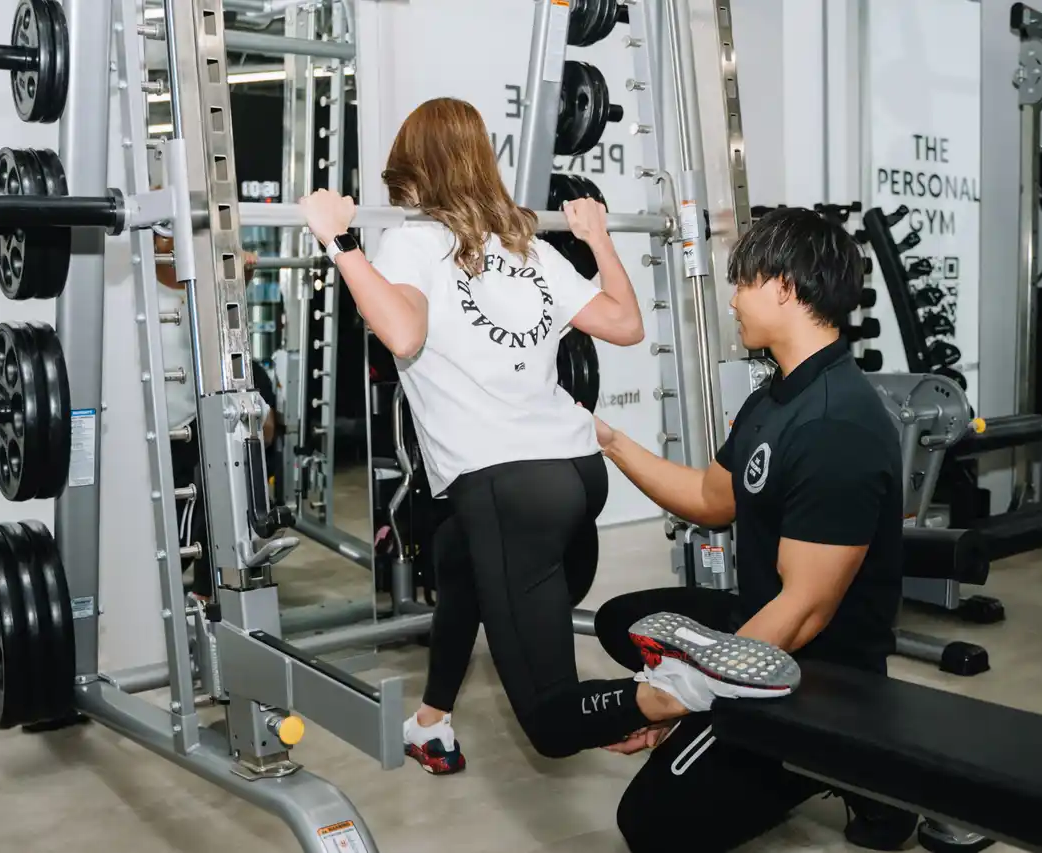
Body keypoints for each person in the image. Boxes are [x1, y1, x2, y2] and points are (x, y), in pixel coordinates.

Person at [297, 97, 795, 774]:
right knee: (457, 554)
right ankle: (432, 719)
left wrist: (338, 239)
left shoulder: (412, 241)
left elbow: (403, 334)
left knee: (553, 720)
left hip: (509, 485)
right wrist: (598, 239)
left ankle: (683, 686)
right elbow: (624, 323)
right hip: (576, 468)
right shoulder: (523, 245)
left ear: (413, 168)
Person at [589, 207, 912, 853]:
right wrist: (607, 439)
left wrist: (681, 695)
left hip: (815, 674)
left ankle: (840, 765)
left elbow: (804, 611)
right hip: (762, 622)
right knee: (622, 620)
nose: (733, 299)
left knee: (651, 824)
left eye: (743, 282)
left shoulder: (836, 425)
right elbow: (710, 500)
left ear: (785, 288)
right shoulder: (775, 398)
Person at [156, 235, 278, 601]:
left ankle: (211, 592)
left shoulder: (200, 283)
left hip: (202, 414)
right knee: (173, 538)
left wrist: (240, 277)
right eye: (163, 234)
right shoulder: (138, 290)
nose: (172, 240)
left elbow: (225, 333)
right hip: (166, 428)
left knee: (246, 453)